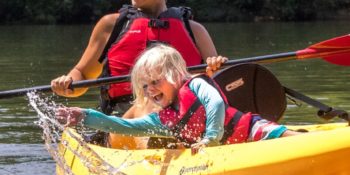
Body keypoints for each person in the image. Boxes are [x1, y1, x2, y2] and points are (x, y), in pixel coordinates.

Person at [56, 44, 301, 154]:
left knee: (298, 141)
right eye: (145, 85)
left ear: (175, 74)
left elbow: (215, 103)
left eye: (155, 81)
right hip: (225, 152)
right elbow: (124, 126)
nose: (150, 90)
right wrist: (86, 116)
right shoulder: (165, 119)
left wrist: (210, 139)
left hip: (253, 132)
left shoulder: (196, 84)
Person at [51, 0, 224, 149]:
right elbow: (82, 73)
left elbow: (217, 87)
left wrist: (214, 69)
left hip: (186, 118)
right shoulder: (110, 26)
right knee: (149, 103)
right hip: (123, 124)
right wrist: (68, 85)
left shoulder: (194, 30)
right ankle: (157, 153)